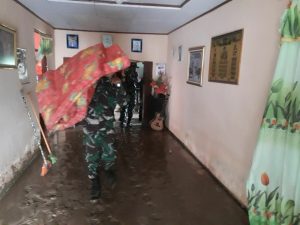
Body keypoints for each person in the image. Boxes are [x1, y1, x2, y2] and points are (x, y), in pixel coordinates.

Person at [82, 73, 127, 201]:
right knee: (91, 156)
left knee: (109, 152)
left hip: (107, 128)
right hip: (91, 129)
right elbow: (78, 104)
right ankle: (94, 182)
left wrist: (118, 84)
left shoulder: (112, 85)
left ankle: (109, 171)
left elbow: (123, 101)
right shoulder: (87, 85)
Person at [119, 62, 138, 127]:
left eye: (134, 68)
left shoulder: (134, 74)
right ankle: (124, 123)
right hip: (126, 93)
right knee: (125, 108)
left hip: (130, 93)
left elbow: (136, 82)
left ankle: (126, 123)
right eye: (133, 68)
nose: (133, 69)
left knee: (128, 108)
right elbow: (123, 83)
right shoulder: (125, 74)